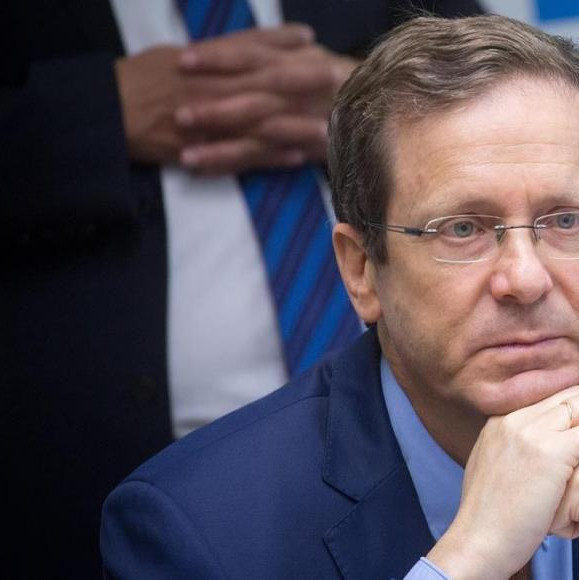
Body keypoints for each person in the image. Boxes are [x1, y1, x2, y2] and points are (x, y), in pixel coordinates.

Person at [100, 14, 579, 579]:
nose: (525, 278)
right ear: (361, 270)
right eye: (462, 228)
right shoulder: (200, 526)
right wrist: (466, 560)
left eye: (564, 221)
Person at [0, 1, 481, 576]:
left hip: (412, 450)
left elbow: (495, 76)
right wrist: (94, 116)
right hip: (83, 480)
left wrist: (376, 111)